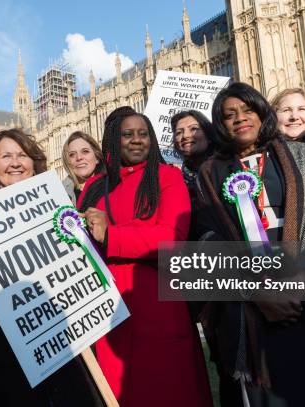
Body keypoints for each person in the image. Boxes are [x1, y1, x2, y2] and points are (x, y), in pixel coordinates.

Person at [197, 82, 305, 407]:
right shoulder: (210, 174)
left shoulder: (300, 157)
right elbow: (206, 242)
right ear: (220, 124)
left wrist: (303, 280)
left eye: (247, 109)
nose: (240, 118)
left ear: (262, 111)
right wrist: (258, 293)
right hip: (251, 317)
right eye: (229, 115)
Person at [78, 106, 212, 407]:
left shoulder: (167, 176)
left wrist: (112, 235)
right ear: (114, 140)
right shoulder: (94, 187)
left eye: (144, 134)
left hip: (158, 306)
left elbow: (172, 239)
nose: (137, 140)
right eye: (128, 134)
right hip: (110, 313)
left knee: (169, 392)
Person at [0, 128, 102, 407]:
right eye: (6, 156)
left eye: (22, 155)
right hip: (5, 345)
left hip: (63, 338)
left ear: (34, 162)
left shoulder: (57, 203)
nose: (15, 163)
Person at [170, 109, 216, 240]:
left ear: (209, 135)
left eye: (194, 129)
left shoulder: (224, 169)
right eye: (179, 132)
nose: (185, 136)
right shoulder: (175, 178)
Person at [271, 88, 305, 155]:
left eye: (301, 109)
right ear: (274, 116)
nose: (294, 117)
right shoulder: (262, 155)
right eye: (286, 110)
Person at [61, 131, 104, 204]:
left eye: (85, 151)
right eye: (72, 155)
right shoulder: (59, 193)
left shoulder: (114, 186)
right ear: (67, 161)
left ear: (97, 158)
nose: (79, 157)